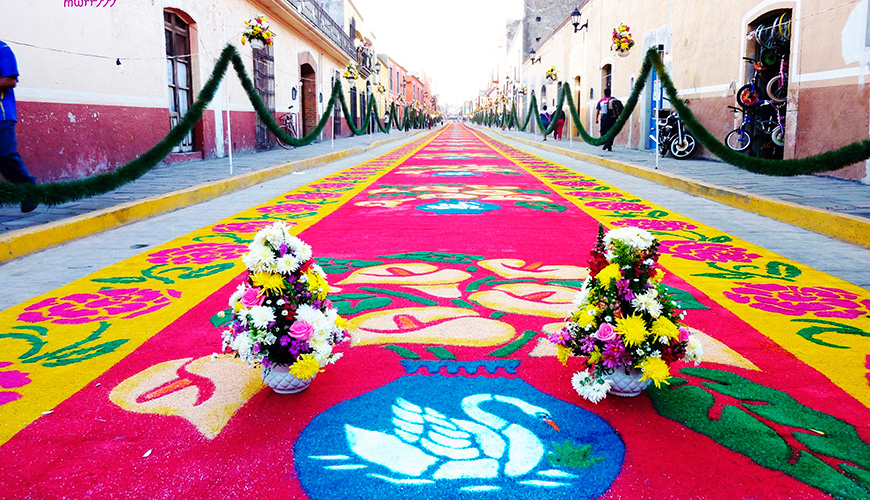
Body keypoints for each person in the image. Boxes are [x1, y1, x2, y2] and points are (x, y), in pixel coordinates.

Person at [0, 41, 37, 212]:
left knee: (5, 155)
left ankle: (28, 189)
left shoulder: (2, 49)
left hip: (2, 115)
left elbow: (10, 80)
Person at [595, 87, 616, 152]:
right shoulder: (614, 100)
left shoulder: (601, 101)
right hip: (612, 118)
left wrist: (596, 119)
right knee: (611, 131)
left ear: (604, 93)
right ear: (610, 93)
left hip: (604, 117)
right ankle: (610, 145)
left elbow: (598, 110)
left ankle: (605, 142)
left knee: (603, 131)